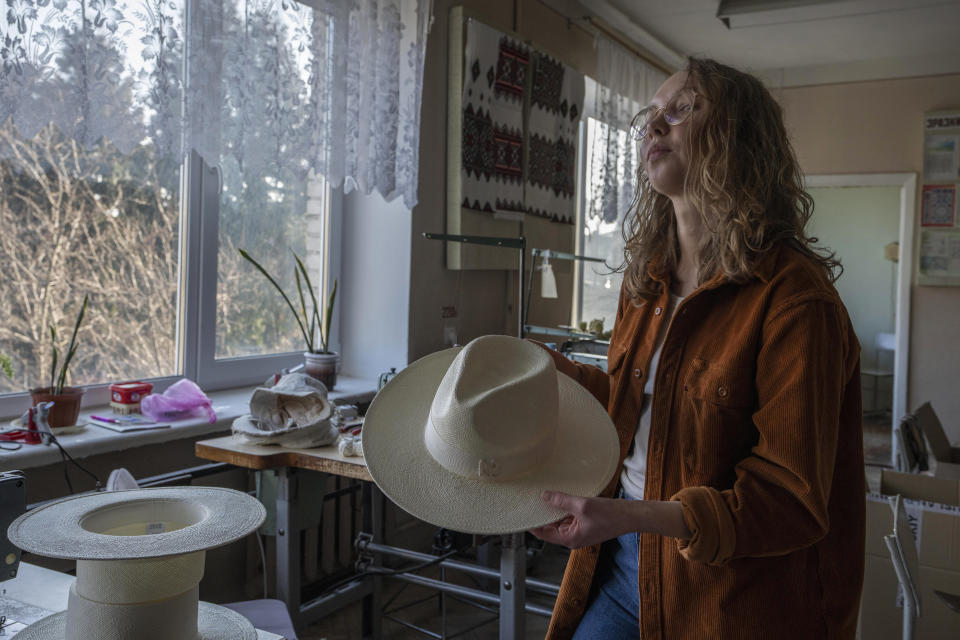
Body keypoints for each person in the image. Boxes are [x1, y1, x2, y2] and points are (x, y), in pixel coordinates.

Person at [530, 57, 865, 639]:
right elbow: (645, 413)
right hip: (619, 568)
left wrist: (624, 515)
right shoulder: (646, 283)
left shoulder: (794, 300)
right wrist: (549, 373)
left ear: (738, 137)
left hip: (731, 598)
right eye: (651, 115)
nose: (654, 127)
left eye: (681, 110)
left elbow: (789, 497)